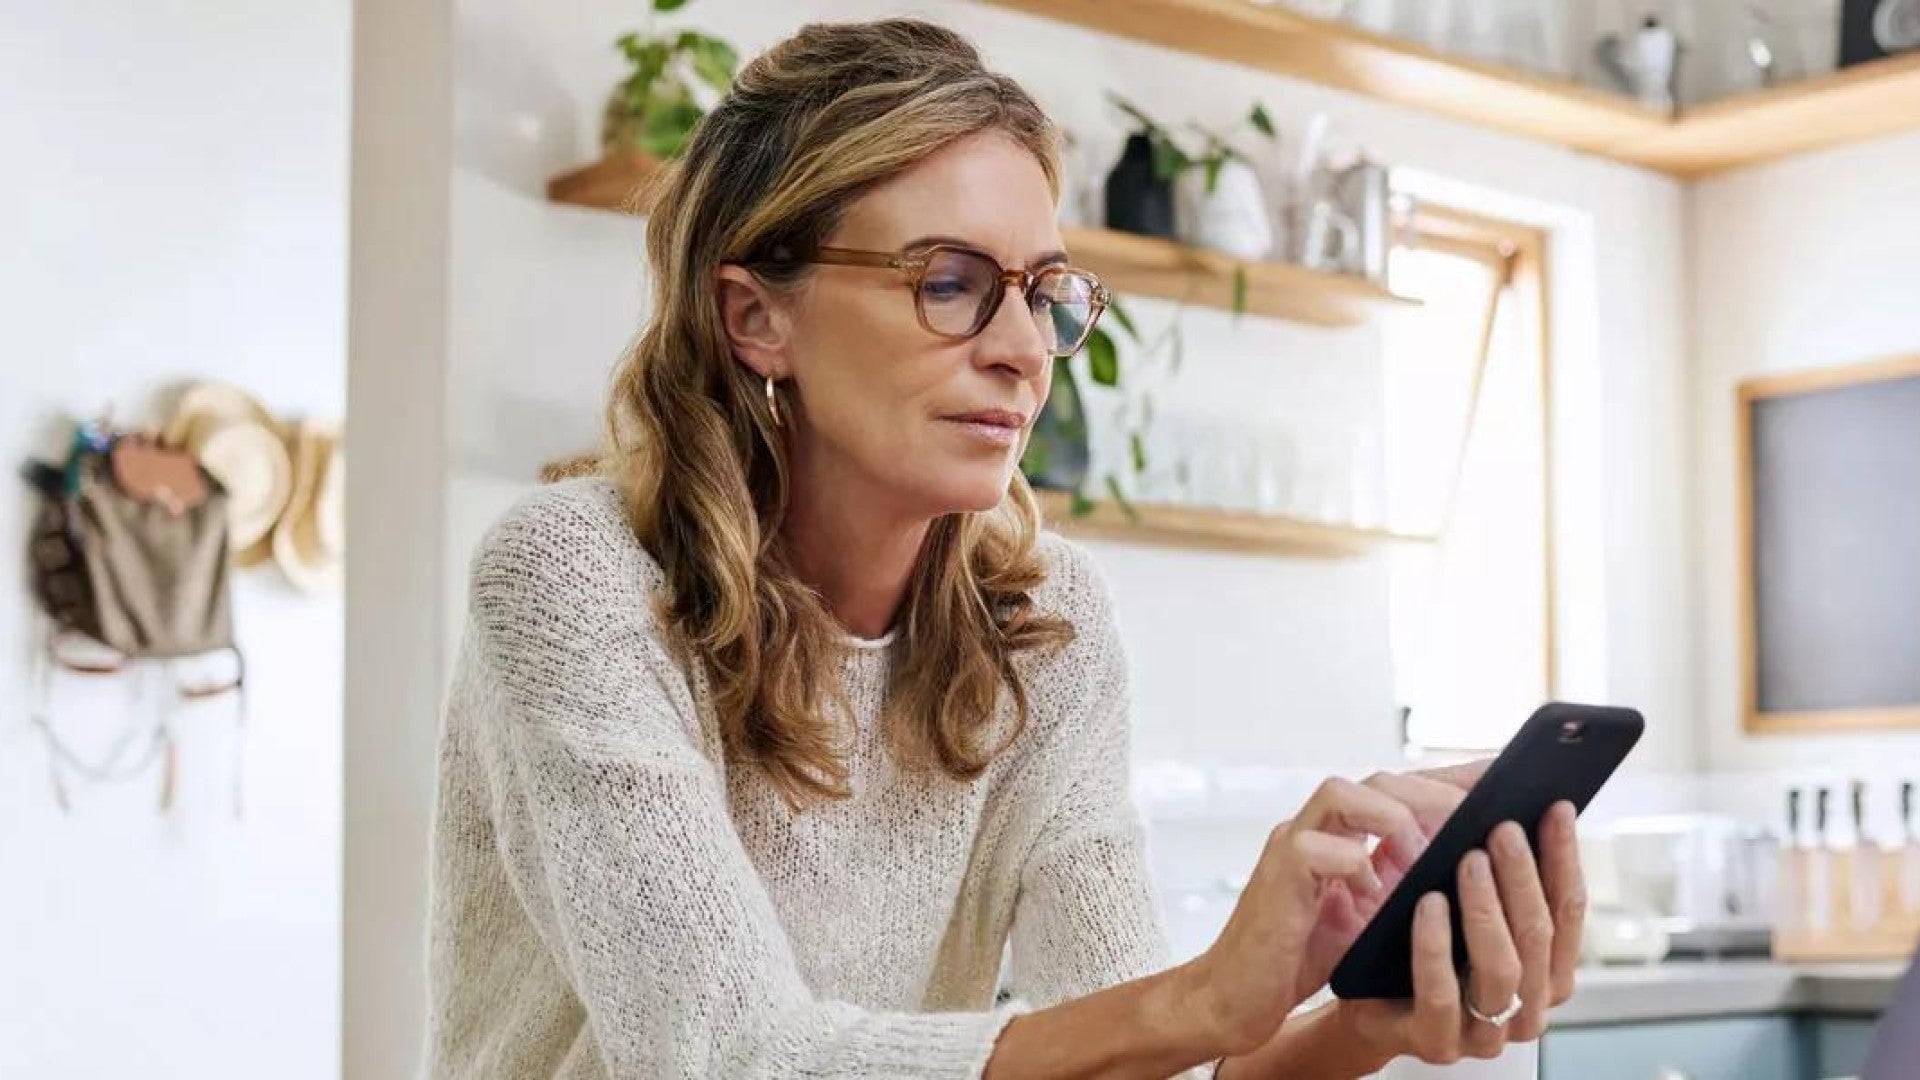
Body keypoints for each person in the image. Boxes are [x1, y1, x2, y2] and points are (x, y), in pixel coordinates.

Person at [424, 18, 1586, 1079]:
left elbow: (1142, 1053)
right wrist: (1205, 998)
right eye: (950, 283)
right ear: (755, 317)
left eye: (1043, 292)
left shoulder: (1044, 625)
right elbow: (729, 1055)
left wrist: (1352, 1019)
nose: (1026, 349)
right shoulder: (576, 579)